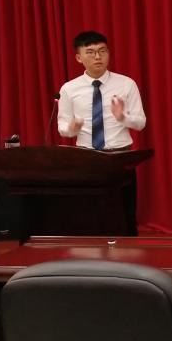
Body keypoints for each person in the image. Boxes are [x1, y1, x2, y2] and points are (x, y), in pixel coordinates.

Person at [58, 30, 147, 234]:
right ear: (78, 57)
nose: (98, 57)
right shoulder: (69, 89)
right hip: (85, 157)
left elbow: (141, 123)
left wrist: (122, 117)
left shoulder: (126, 84)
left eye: (102, 51)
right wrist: (71, 128)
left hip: (120, 156)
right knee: (88, 212)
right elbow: (62, 126)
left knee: (124, 211)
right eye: (90, 52)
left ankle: (127, 249)